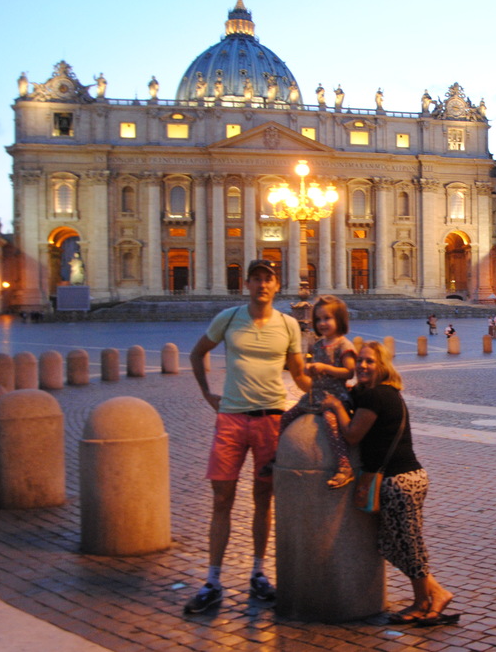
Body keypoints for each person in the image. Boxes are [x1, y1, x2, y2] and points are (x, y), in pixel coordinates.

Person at [185, 260, 312, 614]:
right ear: (247, 284)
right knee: (221, 497)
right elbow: (197, 353)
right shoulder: (228, 318)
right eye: (256, 279)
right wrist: (206, 394)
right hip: (231, 418)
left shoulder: (288, 324)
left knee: (263, 499)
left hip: (271, 419)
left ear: (276, 285)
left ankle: (258, 572)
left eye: (267, 279)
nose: (262, 285)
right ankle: (213, 580)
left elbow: (299, 374)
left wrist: (330, 393)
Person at [321, 342, 458, 626]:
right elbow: (354, 395)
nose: (362, 365)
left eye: (370, 361)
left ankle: (422, 602)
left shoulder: (377, 395)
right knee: (390, 543)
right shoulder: (380, 392)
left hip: (400, 480)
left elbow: (352, 434)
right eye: (360, 360)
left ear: (382, 365)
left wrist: (335, 406)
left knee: (408, 544)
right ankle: (437, 593)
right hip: (404, 479)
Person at [259, 295, 356, 487]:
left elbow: (349, 372)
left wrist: (325, 368)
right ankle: (276, 455)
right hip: (314, 396)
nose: (322, 323)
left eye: (327, 318)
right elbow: (314, 366)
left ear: (339, 319)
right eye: (318, 319)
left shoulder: (344, 345)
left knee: (331, 423)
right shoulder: (318, 344)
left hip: (335, 398)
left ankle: (344, 465)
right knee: (285, 418)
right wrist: (308, 369)